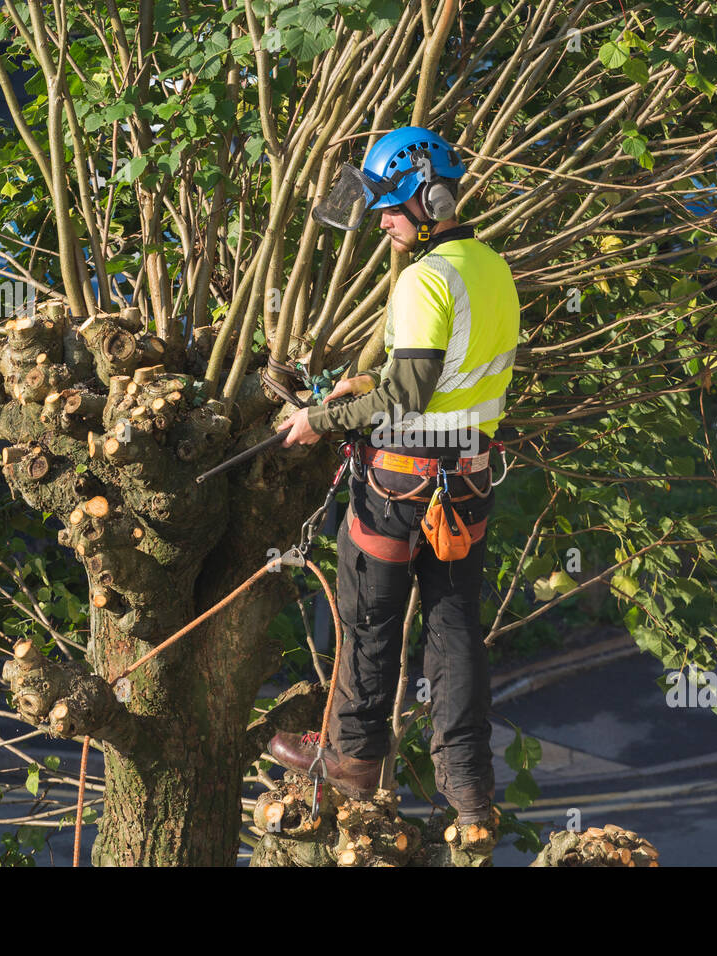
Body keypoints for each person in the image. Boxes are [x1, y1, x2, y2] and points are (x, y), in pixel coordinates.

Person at [267, 127, 520, 826]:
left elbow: (408, 397)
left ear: (429, 198)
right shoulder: (489, 267)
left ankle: (351, 758)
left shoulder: (423, 279)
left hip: (400, 488)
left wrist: (322, 419)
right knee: (454, 628)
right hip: (466, 481)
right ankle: (469, 791)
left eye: (390, 205)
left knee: (369, 618)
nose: (381, 220)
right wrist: (366, 381)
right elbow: (448, 372)